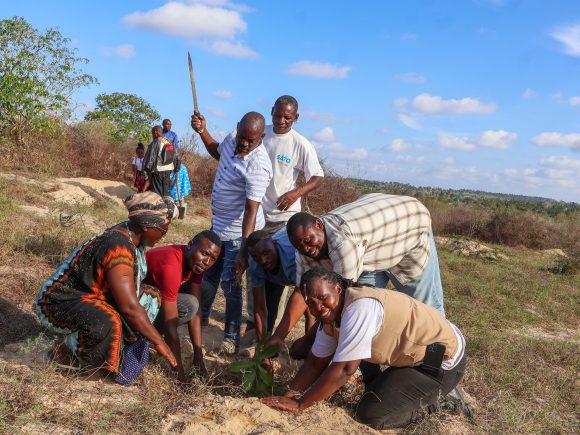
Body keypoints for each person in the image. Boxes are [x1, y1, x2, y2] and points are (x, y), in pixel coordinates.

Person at [262, 268, 467, 430]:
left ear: (338, 289)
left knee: (371, 414)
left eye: (323, 298)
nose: (318, 308)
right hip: (413, 358)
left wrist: (300, 404)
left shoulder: (360, 308)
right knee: (372, 396)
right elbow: (316, 363)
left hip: (442, 362)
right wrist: (289, 394)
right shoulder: (331, 319)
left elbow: (345, 370)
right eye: (311, 304)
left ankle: (439, 400)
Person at [269, 193, 446, 357]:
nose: (306, 249)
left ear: (319, 225)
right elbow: (303, 292)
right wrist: (279, 336)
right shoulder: (303, 250)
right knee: (361, 309)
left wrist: (309, 341)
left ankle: (443, 361)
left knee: (427, 306)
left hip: (408, 226)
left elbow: (339, 303)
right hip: (371, 243)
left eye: (308, 242)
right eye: (299, 246)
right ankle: (356, 364)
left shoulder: (343, 242)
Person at [35, 192, 178, 376]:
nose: (164, 235)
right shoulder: (117, 246)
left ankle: (114, 349)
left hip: (93, 296)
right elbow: (129, 308)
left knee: (151, 297)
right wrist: (159, 343)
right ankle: (67, 353)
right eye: (163, 229)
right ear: (146, 226)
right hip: (61, 301)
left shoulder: (132, 237)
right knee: (108, 321)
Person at [191, 111, 272, 354]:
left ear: (262, 137)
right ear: (237, 129)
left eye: (251, 140)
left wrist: (244, 250)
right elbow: (217, 151)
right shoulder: (230, 140)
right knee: (208, 275)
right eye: (242, 137)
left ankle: (231, 337)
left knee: (231, 285)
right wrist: (202, 132)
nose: (245, 143)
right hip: (218, 226)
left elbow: (251, 209)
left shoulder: (259, 165)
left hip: (239, 235)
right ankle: (202, 317)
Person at [246, 95, 324, 334]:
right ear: (271, 111)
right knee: (256, 267)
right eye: (278, 115)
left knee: (281, 271)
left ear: (296, 118)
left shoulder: (300, 144)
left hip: (284, 218)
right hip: (260, 214)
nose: (281, 120)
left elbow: (317, 176)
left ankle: (275, 326)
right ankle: (254, 323)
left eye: (287, 117)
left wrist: (295, 192)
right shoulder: (262, 134)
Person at [143, 230, 221, 382]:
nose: (207, 262)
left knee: (197, 299)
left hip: (155, 296)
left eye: (213, 259)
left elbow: (197, 311)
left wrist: (198, 358)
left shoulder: (197, 263)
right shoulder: (171, 265)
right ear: (190, 245)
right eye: (204, 253)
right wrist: (179, 374)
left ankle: (152, 335)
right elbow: (171, 324)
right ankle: (145, 337)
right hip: (135, 304)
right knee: (187, 305)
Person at [246, 229, 314, 343]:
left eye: (266, 253)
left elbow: (301, 294)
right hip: (277, 275)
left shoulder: (294, 256)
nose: (263, 260)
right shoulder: (255, 264)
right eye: (257, 257)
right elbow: (260, 308)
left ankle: (310, 348)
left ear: (275, 243)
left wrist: (280, 335)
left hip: (305, 271)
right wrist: (262, 349)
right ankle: (265, 345)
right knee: (269, 307)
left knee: (310, 310)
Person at [142, 125, 181, 197]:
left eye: (152, 133)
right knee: (165, 193)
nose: (152, 135)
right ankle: (165, 206)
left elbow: (149, 159)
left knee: (156, 194)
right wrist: (176, 169)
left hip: (157, 172)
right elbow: (177, 157)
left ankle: (158, 207)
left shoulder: (155, 143)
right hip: (168, 171)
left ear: (155, 132)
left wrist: (145, 172)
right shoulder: (169, 141)